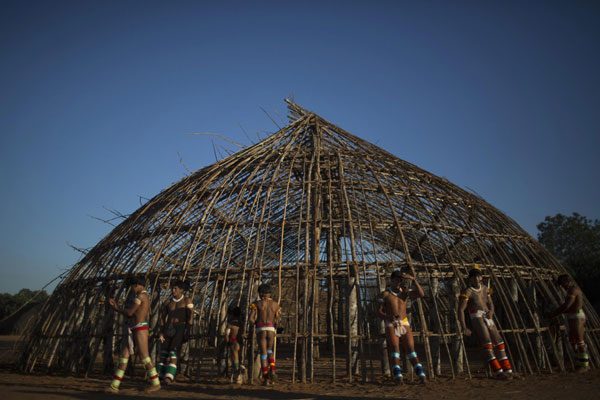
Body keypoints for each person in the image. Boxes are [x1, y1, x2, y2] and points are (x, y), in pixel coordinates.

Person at [106, 276, 161, 393]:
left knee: (144, 357)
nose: (131, 289)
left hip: (140, 328)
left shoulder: (141, 296)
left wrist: (116, 308)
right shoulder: (142, 295)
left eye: (131, 287)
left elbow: (130, 313)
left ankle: (156, 383)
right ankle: (114, 385)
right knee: (124, 356)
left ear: (135, 285)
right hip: (135, 328)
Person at [458, 267, 513, 379]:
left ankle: (508, 370)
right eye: (473, 277)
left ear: (481, 277)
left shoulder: (485, 289)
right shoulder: (468, 291)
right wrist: (464, 326)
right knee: (487, 342)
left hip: (487, 315)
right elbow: (460, 310)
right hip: (476, 316)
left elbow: (490, 303)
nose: (476, 279)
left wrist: (491, 311)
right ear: (470, 279)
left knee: (499, 342)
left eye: (478, 276)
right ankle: (498, 371)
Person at [376, 269, 427, 384]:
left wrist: (413, 280)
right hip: (391, 323)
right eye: (396, 280)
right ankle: (398, 376)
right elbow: (378, 312)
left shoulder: (405, 293)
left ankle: (421, 374)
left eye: (400, 280)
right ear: (391, 281)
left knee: (410, 348)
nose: (399, 282)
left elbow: (421, 294)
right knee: (395, 348)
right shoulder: (385, 294)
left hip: (404, 322)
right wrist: (388, 317)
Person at [547, 274, 590, 372]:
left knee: (579, 340)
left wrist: (554, 314)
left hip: (577, 316)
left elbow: (567, 305)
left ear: (567, 281)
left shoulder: (573, 290)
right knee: (574, 341)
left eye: (563, 284)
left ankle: (585, 365)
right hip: (572, 316)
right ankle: (580, 364)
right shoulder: (571, 290)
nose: (563, 286)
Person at [157, 280, 194, 384]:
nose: (173, 290)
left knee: (173, 351)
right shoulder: (168, 302)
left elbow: (190, 318)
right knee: (163, 352)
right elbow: (162, 318)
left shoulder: (187, 301)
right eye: (172, 288)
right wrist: (161, 331)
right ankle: (160, 375)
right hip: (168, 329)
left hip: (180, 329)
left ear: (181, 290)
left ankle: (169, 376)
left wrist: (187, 331)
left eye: (175, 288)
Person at [249, 283, 281, 385]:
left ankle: (266, 379)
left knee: (263, 354)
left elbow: (251, 319)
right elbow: (277, 320)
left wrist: (257, 324)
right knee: (270, 351)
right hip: (271, 328)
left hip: (260, 329)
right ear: (269, 293)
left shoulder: (256, 304)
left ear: (260, 293)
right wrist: (274, 326)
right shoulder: (276, 305)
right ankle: (273, 370)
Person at [225, 305, 245, 383]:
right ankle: (239, 372)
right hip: (240, 343)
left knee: (235, 360)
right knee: (239, 358)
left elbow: (227, 334)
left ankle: (238, 377)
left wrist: (227, 342)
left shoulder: (230, 324)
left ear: (232, 315)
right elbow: (242, 333)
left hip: (233, 342)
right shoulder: (241, 324)